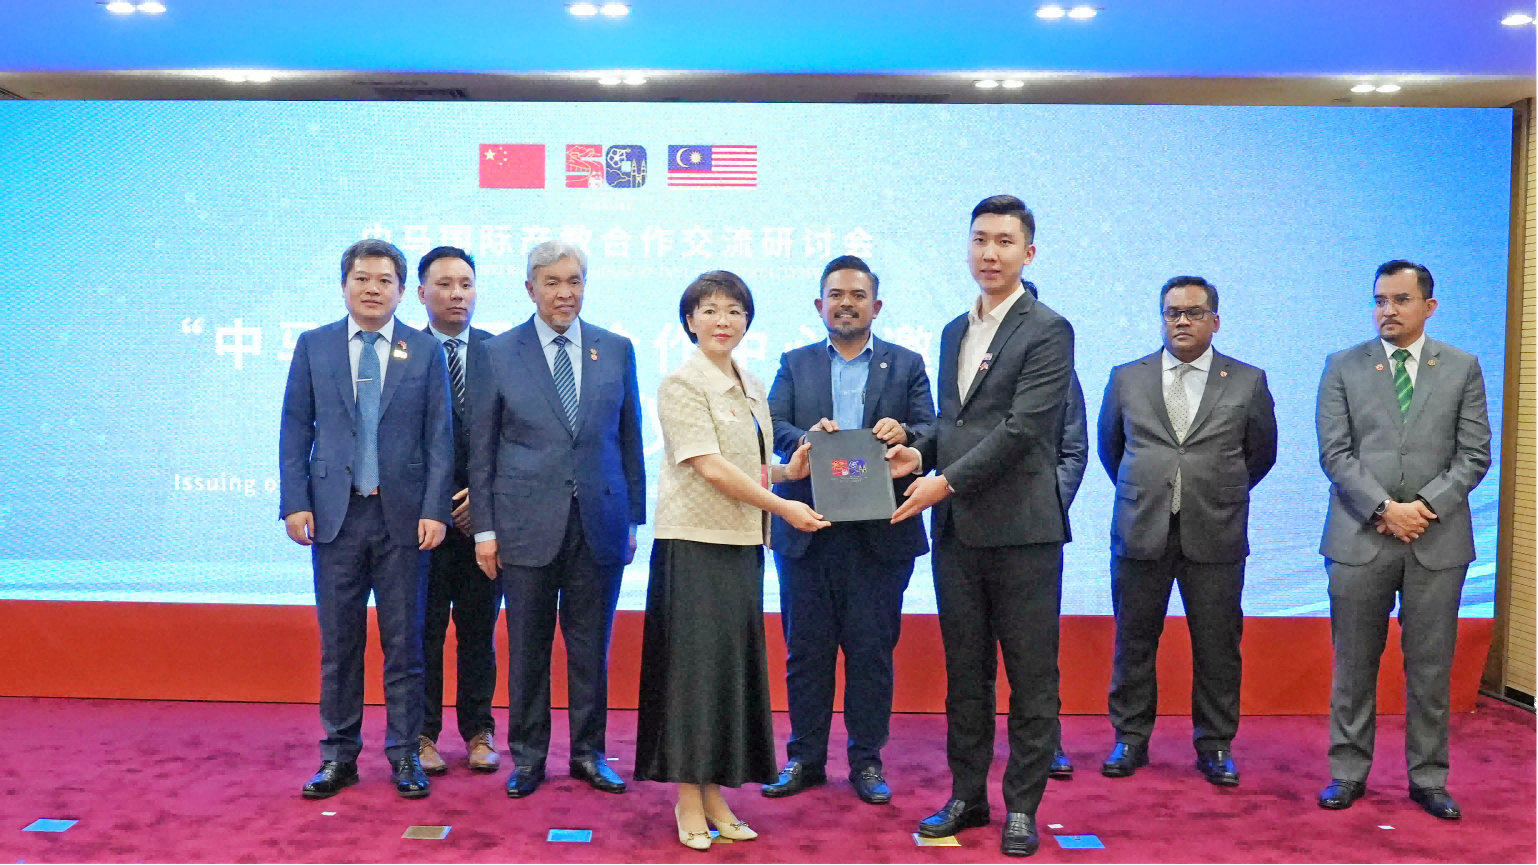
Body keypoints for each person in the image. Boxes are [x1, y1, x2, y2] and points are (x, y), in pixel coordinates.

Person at [887, 195, 1074, 857]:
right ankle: (967, 794)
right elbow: (956, 423)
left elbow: (1023, 430)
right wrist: (919, 454)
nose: (989, 253)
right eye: (980, 240)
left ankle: (1022, 806)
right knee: (966, 677)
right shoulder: (952, 331)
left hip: (1023, 533)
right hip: (959, 534)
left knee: (1031, 677)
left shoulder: (1048, 329)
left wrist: (945, 480)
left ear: (1029, 252)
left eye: (1004, 241)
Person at [634, 271, 828, 851]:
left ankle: (715, 795)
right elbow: (711, 467)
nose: (724, 321)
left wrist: (790, 472)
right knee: (692, 679)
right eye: (711, 309)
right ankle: (688, 799)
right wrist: (784, 507)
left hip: (741, 544)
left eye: (735, 311)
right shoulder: (680, 383)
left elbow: (748, 466)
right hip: (693, 545)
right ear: (689, 320)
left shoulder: (750, 383)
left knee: (726, 677)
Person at [468, 240, 645, 799]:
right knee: (528, 649)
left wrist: (633, 519)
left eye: (574, 281)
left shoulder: (616, 348)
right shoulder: (497, 352)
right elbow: (482, 451)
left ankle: (589, 754)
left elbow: (630, 439)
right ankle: (528, 757)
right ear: (530, 289)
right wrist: (485, 530)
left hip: (600, 521)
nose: (565, 293)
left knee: (591, 649)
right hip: (523, 524)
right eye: (552, 282)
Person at [1315, 260, 1491, 820]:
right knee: (1353, 664)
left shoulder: (1462, 366)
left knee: (1431, 668)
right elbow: (1335, 453)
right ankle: (1347, 772)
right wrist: (1384, 509)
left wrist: (1424, 509)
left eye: (1400, 299)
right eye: (1379, 300)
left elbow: (1474, 455)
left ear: (1428, 306)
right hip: (1358, 536)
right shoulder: (1342, 365)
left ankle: (1429, 779)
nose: (1387, 310)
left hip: (1437, 542)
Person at [279, 238, 454, 800]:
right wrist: (295, 501)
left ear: (402, 291)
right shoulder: (315, 346)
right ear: (344, 285)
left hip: (403, 519)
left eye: (384, 280)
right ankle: (338, 756)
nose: (372, 289)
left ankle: (405, 755)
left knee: (405, 647)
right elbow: (295, 427)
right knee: (340, 645)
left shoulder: (423, 351)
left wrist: (435, 509)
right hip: (335, 517)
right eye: (362, 278)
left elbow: (439, 437)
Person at [762, 255, 936, 805]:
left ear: (875, 306)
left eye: (858, 296)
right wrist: (803, 439)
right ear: (820, 305)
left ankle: (867, 762)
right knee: (806, 652)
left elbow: (932, 429)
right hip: (808, 529)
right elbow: (771, 423)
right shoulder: (795, 363)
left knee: (871, 653)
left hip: (879, 535)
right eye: (836, 295)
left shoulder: (906, 364)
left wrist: (905, 431)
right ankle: (805, 759)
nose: (846, 304)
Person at [1096, 276, 1278, 786]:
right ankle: (1130, 739)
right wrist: (1152, 488)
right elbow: (1112, 450)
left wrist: (1212, 489)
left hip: (1216, 530)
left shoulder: (1247, 380)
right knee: (1134, 641)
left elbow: (1261, 453)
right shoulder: (1126, 377)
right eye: (1172, 312)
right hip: (1140, 528)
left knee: (1218, 645)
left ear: (1214, 320)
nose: (1181, 321)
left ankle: (1215, 744)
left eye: (1193, 312)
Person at [413, 246, 500, 776]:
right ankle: (422, 734)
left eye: (466, 284)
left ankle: (478, 731)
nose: (456, 294)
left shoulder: (500, 352)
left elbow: (516, 435)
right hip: (422, 522)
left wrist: (483, 501)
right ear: (421, 292)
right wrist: (438, 502)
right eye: (444, 285)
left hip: (484, 523)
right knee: (422, 633)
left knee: (478, 632)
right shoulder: (404, 351)